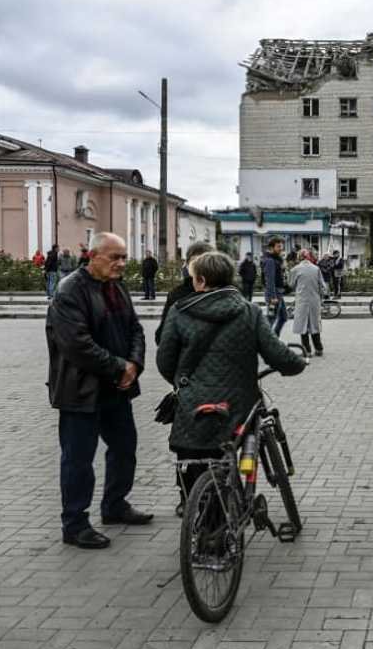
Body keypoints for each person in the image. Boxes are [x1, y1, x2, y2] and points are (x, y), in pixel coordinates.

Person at [156, 251, 308, 514]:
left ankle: (196, 511)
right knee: (235, 448)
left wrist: (186, 384)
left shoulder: (180, 312)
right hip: (239, 401)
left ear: (201, 280)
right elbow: (275, 353)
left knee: (194, 458)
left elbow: (164, 362)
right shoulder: (248, 311)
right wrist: (296, 364)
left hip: (193, 402)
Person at [45, 233, 150, 550]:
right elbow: (77, 346)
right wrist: (121, 367)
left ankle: (114, 505)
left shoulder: (116, 287)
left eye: (123, 258)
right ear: (93, 256)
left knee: (124, 447)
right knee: (78, 460)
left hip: (117, 388)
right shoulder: (70, 292)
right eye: (114, 257)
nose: (120, 264)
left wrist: (133, 363)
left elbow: (135, 329)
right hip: (81, 392)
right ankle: (75, 524)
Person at [156, 241, 214, 344]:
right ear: (187, 266)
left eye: (204, 263)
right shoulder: (176, 295)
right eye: (195, 264)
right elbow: (161, 336)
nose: (199, 269)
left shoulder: (227, 293)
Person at [288, 248, 326, 357]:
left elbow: (290, 284)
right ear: (309, 256)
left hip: (302, 300)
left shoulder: (295, 269)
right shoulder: (316, 269)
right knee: (314, 325)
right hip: (315, 300)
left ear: (299, 257)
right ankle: (319, 349)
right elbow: (323, 286)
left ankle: (307, 350)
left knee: (303, 326)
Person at [262, 238, 288, 337]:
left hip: (278, 293)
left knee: (284, 317)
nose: (281, 248)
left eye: (281, 246)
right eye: (278, 246)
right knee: (271, 319)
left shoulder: (276, 260)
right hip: (274, 295)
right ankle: (265, 341)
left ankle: (274, 338)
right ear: (272, 248)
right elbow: (270, 280)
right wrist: (273, 297)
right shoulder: (270, 261)